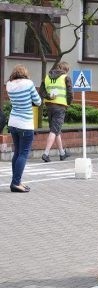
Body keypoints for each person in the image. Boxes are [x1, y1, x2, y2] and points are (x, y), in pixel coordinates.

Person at [6, 64, 42, 192]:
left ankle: (17, 181)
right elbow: (38, 102)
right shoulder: (28, 83)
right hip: (25, 124)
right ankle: (16, 183)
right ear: (25, 73)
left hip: (13, 122)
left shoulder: (9, 85)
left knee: (17, 152)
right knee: (23, 153)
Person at [39, 61, 72, 162]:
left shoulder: (47, 77)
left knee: (55, 129)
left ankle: (62, 153)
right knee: (54, 130)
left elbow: (41, 91)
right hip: (60, 106)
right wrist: (69, 103)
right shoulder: (65, 77)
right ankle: (46, 153)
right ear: (66, 70)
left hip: (49, 106)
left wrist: (48, 97)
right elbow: (70, 92)